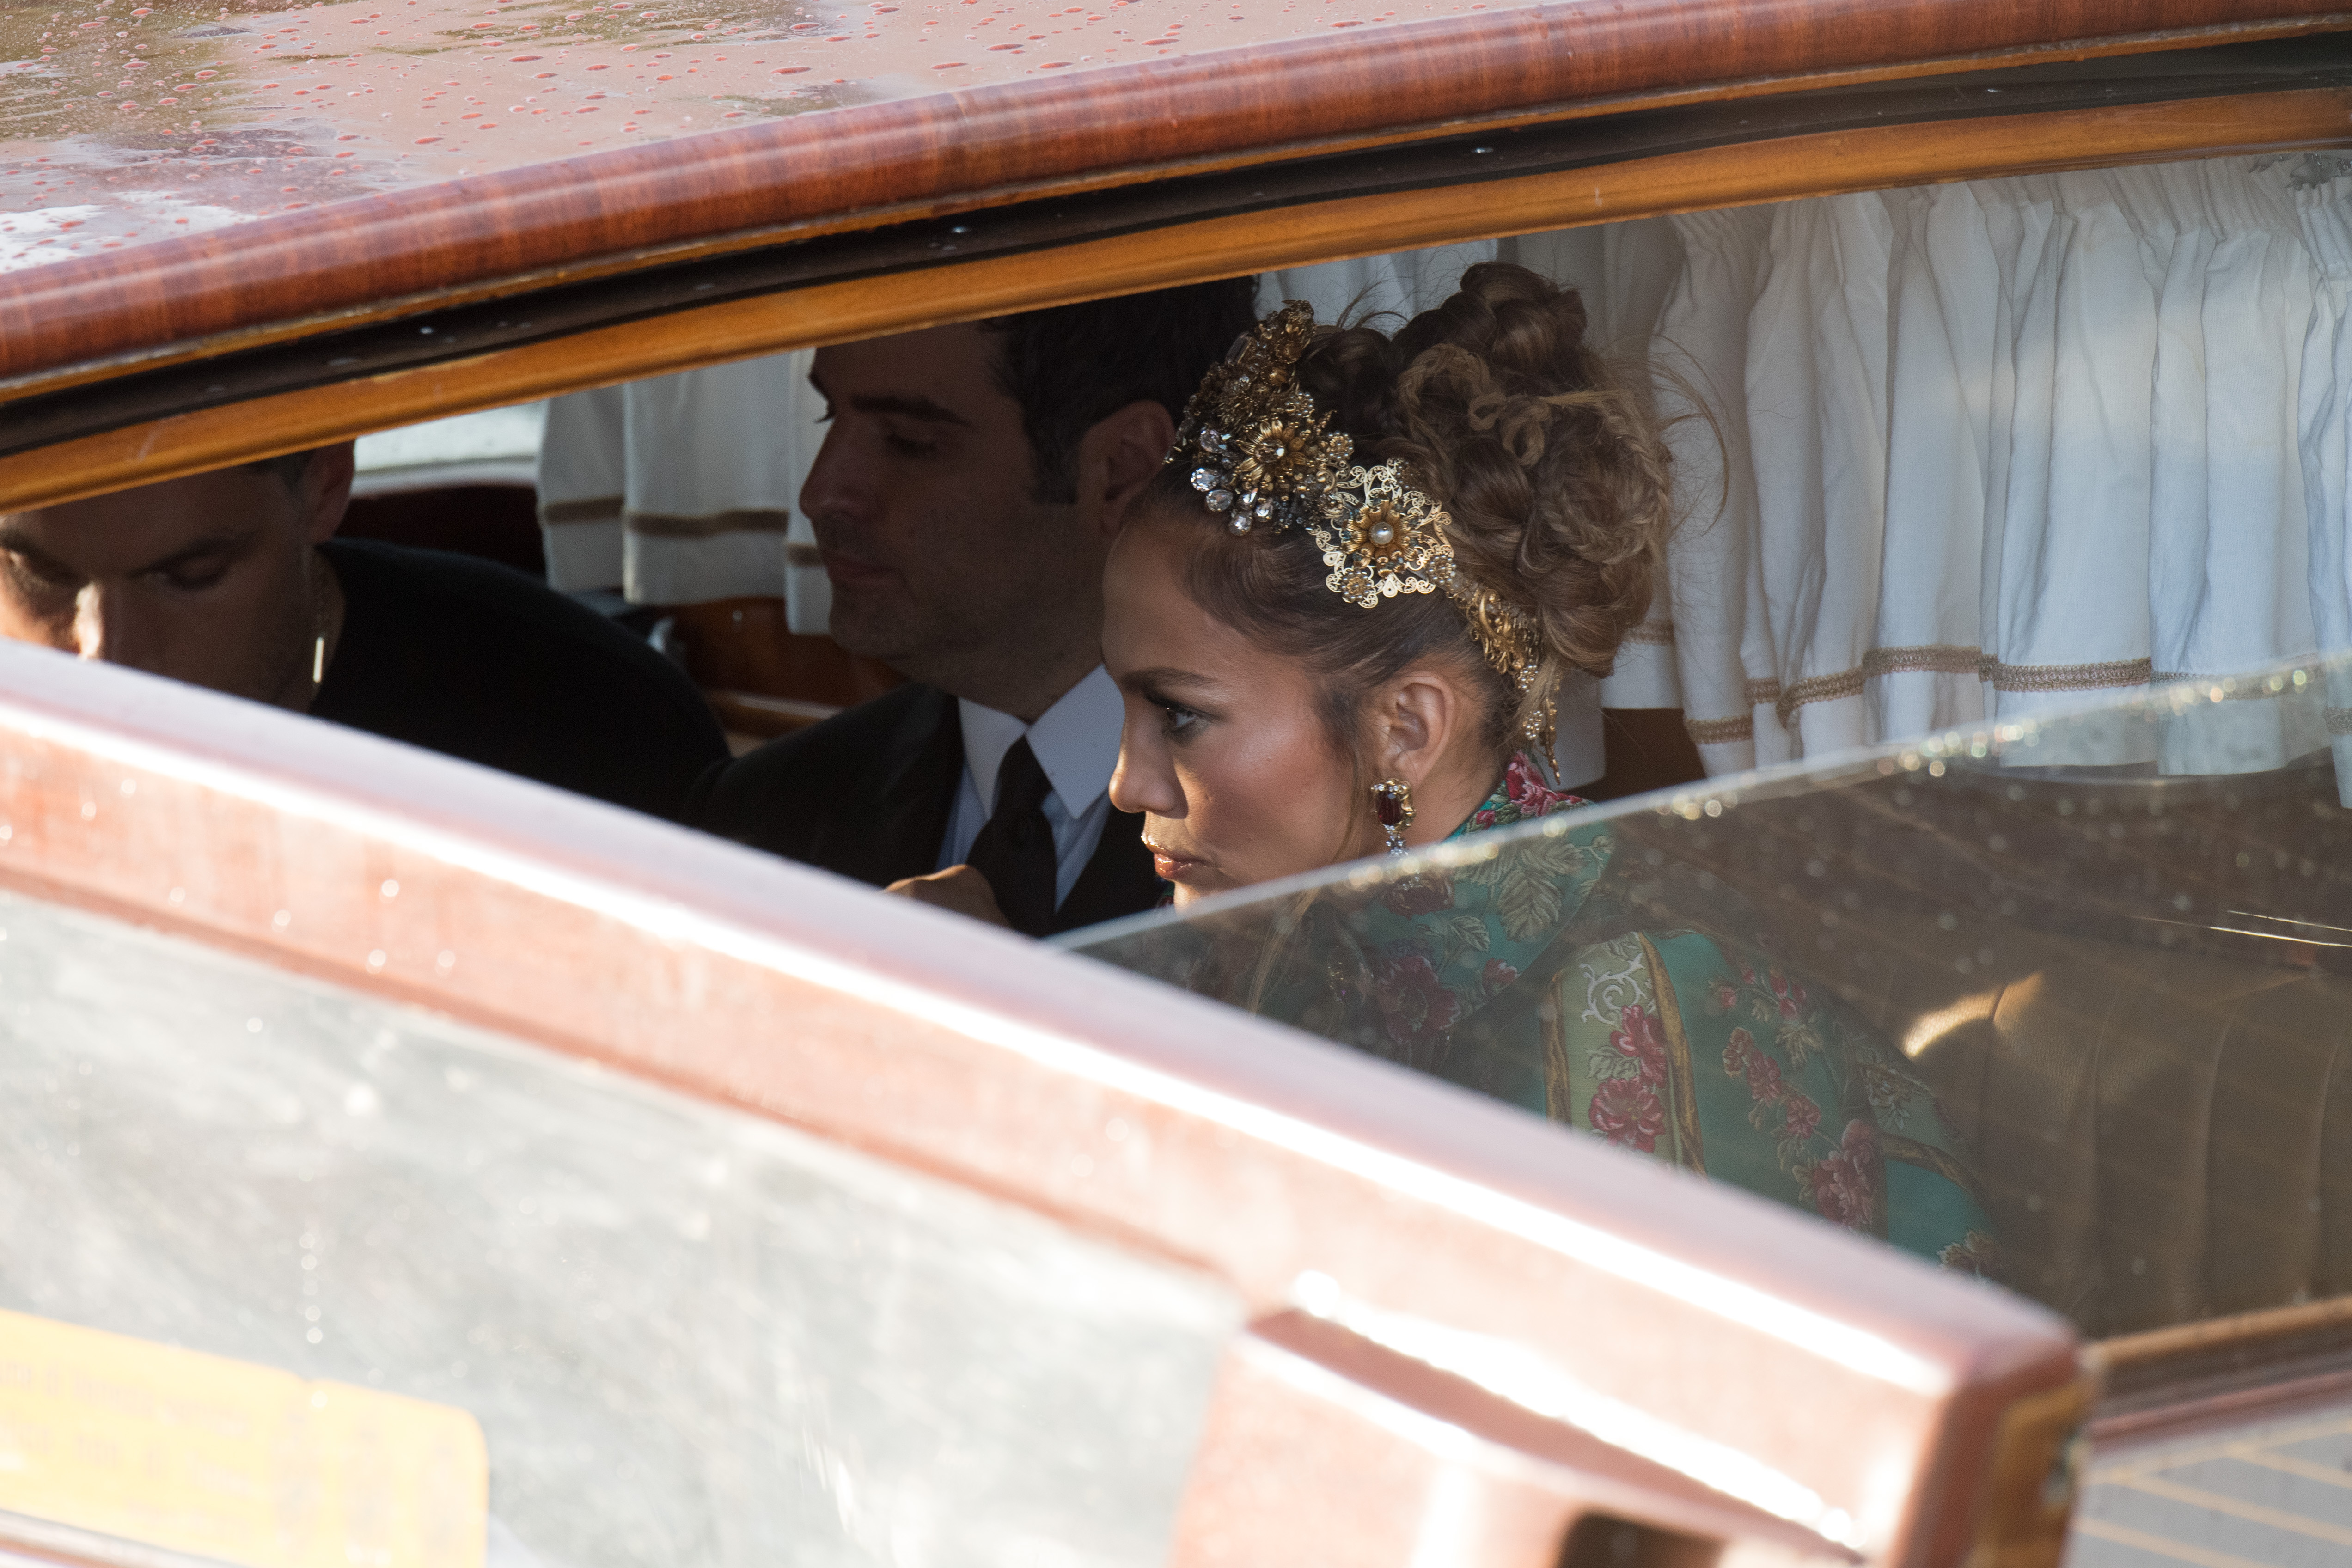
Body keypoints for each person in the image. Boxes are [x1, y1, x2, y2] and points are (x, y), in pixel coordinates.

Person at [1087, 266, 1999, 1272]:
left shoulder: (1627, 1000)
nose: (1129, 783)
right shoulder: (1290, 929)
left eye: (1179, 716)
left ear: (1405, 727)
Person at [691, 280, 1263, 935]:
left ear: (1121, 469)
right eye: (829, 417)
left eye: (908, 441)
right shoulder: (760, 814)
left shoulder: (1292, 832)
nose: (820, 493)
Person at [0, 445, 729, 821]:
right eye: (42, 576)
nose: (109, 658)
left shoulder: (591, 736)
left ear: (324, 486)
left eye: (190, 576)